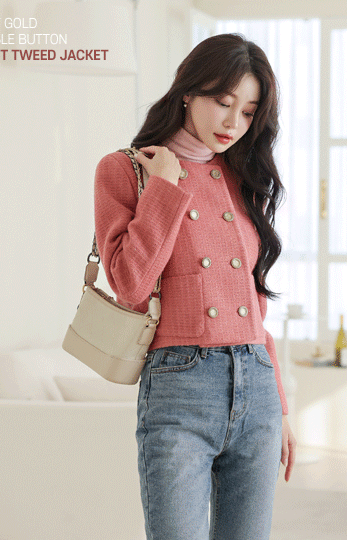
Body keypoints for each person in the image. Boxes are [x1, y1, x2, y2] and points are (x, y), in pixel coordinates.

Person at [94, 33, 297, 540]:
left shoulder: (240, 175)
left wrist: (280, 407)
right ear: (188, 91)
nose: (233, 123)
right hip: (180, 388)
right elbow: (130, 285)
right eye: (223, 102)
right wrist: (165, 185)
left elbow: (252, 305)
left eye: (248, 112)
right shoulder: (126, 170)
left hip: (257, 385)